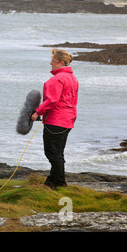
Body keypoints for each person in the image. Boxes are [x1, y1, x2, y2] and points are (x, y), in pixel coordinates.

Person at [31, 48, 79, 189]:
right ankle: (52, 181)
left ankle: (60, 183)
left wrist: (37, 113)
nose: (50, 63)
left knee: (52, 153)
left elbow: (52, 100)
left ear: (61, 62)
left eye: (53, 61)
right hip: (68, 120)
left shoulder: (56, 79)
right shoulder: (72, 78)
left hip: (56, 121)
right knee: (57, 152)